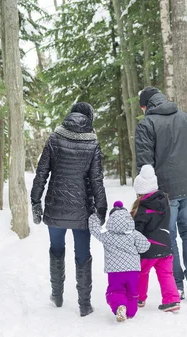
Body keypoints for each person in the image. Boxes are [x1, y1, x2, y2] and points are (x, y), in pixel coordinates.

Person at [31, 102, 107, 317]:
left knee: (56, 250)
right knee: (83, 254)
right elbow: (97, 180)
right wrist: (101, 209)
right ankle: (84, 304)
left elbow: (41, 172)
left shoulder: (55, 138)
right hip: (82, 209)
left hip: (55, 207)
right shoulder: (92, 143)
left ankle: (57, 296)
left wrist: (36, 201)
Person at [135, 86, 187, 299]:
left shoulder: (146, 123)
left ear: (145, 106)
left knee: (170, 235)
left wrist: (147, 193)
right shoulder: (185, 118)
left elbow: (144, 162)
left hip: (166, 189)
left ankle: (177, 284)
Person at [88, 201, 150, 322]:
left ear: (111, 220)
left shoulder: (106, 235)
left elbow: (94, 229)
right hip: (133, 270)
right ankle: (131, 312)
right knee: (132, 292)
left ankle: (120, 306)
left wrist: (93, 215)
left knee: (115, 291)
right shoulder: (134, 234)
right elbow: (145, 246)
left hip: (115, 271)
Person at [130, 164, 180, 312]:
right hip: (165, 246)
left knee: (141, 272)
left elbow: (137, 231)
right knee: (166, 273)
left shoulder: (142, 208)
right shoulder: (165, 202)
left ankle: (139, 298)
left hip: (148, 248)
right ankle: (172, 300)